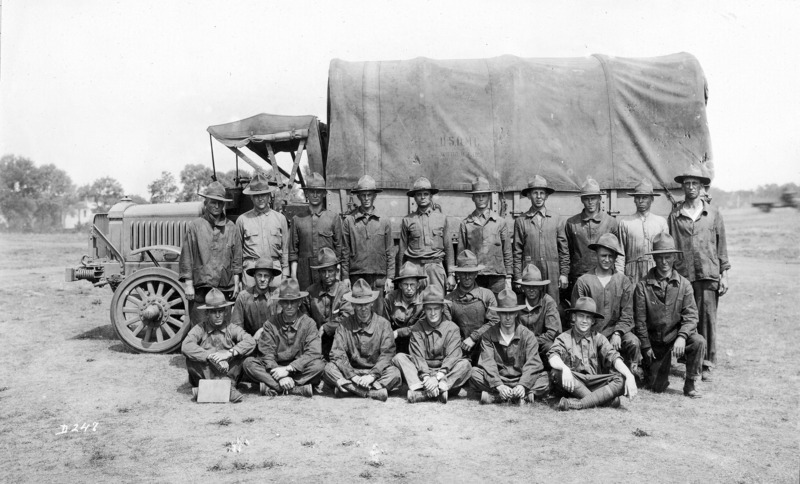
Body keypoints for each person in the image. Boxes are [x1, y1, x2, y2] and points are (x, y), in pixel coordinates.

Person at [668, 164, 730, 381]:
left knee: (707, 319)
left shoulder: (713, 214)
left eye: (695, 183)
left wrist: (724, 274)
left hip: (708, 274)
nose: (691, 187)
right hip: (683, 275)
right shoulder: (675, 215)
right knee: (686, 318)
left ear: (703, 187)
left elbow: (721, 245)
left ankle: (707, 362)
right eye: (687, 184)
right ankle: (689, 361)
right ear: (683, 187)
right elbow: (670, 244)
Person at [633, 233, 706, 398]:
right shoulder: (643, 286)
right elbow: (640, 321)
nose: (664, 262)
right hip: (655, 343)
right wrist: (646, 347)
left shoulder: (684, 285)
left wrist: (682, 336)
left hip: (676, 338)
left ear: (674, 257)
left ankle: (690, 383)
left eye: (668, 257)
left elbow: (691, 316)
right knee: (656, 388)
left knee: (698, 341)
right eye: (660, 258)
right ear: (654, 259)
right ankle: (647, 371)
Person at [547, 296, 638, 411]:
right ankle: (604, 400)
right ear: (574, 317)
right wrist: (564, 368)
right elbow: (553, 356)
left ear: (593, 321)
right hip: (574, 382)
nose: (584, 321)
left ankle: (579, 403)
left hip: (595, 382)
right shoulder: (564, 337)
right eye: (581, 316)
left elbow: (614, 357)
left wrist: (629, 375)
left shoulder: (599, 338)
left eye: (588, 317)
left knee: (621, 378)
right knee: (556, 372)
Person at [571, 233, 642, 379]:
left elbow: (628, 315)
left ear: (616, 257)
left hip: (616, 332)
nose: (607, 260)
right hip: (591, 333)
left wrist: (618, 333)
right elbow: (577, 317)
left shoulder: (623, 281)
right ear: (596, 254)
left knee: (633, 342)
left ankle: (631, 370)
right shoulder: (584, 281)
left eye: (611, 256)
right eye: (603, 255)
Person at [243, 278, 325, 398]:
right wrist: (279, 373)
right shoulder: (270, 324)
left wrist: (289, 369)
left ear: (300, 302)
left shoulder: (309, 323)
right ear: (280, 303)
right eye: (286, 302)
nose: (289, 306)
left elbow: (313, 352)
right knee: (248, 363)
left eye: (293, 302)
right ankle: (296, 388)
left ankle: (273, 386)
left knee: (319, 366)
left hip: (298, 368)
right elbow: (266, 353)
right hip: (275, 369)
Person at [323, 279, 402, 401]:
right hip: (352, 371)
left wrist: (372, 375)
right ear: (353, 305)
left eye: (366, 304)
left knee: (395, 373)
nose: (363, 309)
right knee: (328, 368)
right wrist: (352, 376)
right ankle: (372, 392)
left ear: (372, 303)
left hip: (375, 373)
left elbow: (388, 353)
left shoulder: (383, 324)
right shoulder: (344, 325)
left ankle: (349, 389)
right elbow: (337, 353)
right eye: (359, 305)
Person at [392, 286, 472, 403]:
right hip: (422, 372)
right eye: (429, 309)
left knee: (465, 365)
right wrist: (426, 377)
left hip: (445, 372)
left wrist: (437, 378)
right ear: (424, 309)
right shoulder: (418, 327)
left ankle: (425, 392)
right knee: (399, 357)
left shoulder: (452, 328)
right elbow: (417, 356)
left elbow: (452, 356)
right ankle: (436, 391)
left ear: (442, 308)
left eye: (436, 308)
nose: (433, 313)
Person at [471, 288, 550, 405]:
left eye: (511, 313)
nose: (508, 317)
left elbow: (533, 363)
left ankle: (496, 397)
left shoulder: (527, 335)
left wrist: (522, 385)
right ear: (498, 313)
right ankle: (522, 397)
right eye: (504, 313)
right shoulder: (488, 334)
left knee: (546, 377)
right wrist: (499, 385)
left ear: (516, 313)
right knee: (474, 373)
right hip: (499, 379)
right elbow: (487, 363)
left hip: (521, 378)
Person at [179, 181, 242, 326]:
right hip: (201, 286)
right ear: (206, 202)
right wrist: (188, 284)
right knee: (200, 324)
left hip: (224, 285)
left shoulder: (231, 227)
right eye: (213, 202)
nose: (217, 206)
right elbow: (187, 256)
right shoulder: (195, 226)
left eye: (220, 203)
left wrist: (237, 282)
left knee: (222, 325)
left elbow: (237, 257)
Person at [181, 288, 255, 403]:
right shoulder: (200, 328)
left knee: (244, 356)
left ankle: (206, 390)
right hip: (206, 372)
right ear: (206, 313)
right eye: (213, 312)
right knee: (191, 359)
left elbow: (250, 341)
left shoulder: (231, 328)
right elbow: (186, 346)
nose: (217, 315)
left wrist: (227, 354)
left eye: (220, 311)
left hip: (227, 371)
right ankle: (227, 389)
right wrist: (211, 356)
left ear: (225, 312)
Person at [448, 176, 512, 297]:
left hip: (497, 276)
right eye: (478, 196)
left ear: (488, 197)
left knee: (497, 310)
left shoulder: (499, 222)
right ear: (473, 198)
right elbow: (461, 253)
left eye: (484, 195)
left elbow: (507, 251)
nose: (481, 198)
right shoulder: (466, 224)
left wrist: (508, 276)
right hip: (474, 276)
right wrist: (458, 277)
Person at [341, 175, 395, 316]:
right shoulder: (349, 221)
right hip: (356, 276)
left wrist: (390, 277)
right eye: (363, 195)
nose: (366, 198)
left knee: (378, 314)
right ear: (358, 196)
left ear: (374, 196)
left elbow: (390, 251)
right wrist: (345, 277)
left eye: (369, 194)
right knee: (358, 314)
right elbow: (345, 251)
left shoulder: (384, 221)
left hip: (378, 277)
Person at [563, 178, 619, 312]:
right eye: (587, 198)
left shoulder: (610, 222)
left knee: (603, 312)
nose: (590, 202)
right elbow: (567, 252)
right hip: (578, 278)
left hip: (604, 276)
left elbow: (617, 252)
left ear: (599, 199)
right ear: (582, 200)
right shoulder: (572, 223)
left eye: (593, 198)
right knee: (580, 313)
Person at [512, 175, 568, 310]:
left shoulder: (556, 219)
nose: (538, 196)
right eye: (535, 193)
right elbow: (517, 251)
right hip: (530, 270)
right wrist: (518, 276)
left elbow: (564, 249)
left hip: (552, 270)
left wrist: (564, 273)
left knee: (552, 305)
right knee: (530, 305)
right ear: (529, 196)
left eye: (542, 193)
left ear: (546, 196)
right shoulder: (521, 221)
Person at [289, 172, 344, 290]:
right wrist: (293, 275)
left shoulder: (333, 218)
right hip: (304, 272)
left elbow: (339, 250)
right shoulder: (297, 219)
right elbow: (293, 252)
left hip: (326, 271)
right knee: (305, 303)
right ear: (307, 194)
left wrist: (338, 273)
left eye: (318, 191)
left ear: (324, 194)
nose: (315, 195)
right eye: (311, 191)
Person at [236, 172, 289, 289]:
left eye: (264, 195)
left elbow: (285, 249)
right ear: (251, 197)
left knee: (275, 305)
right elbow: (237, 253)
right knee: (250, 304)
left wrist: (285, 274)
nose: (260, 198)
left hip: (275, 272)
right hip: (251, 272)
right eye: (256, 195)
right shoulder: (242, 220)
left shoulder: (280, 219)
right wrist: (237, 279)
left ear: (269, 195)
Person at [445, 250, 499, 364]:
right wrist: (461, 345)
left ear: (476, 274)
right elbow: (447, 328)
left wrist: (474, 337)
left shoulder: (487, 295)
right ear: (457, 274)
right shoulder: (449, 299)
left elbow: (494, 321)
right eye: (463, 273)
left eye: (471, 273)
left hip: (484, 347)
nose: (467, 277)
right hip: (459, 349)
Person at [399, 177, 451, 293]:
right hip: (414, 269)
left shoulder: (441, 218)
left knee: (436, 304)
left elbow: (448, 248)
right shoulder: (407, 220)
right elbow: (402, 250)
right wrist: (400, 275)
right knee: (414, 304)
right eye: (419, 194)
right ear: (414, 197)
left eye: (426, 194)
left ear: (431, 196)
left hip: (435, 267)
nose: (423, 197)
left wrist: (451, 274)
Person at [303, 247, 353, 360]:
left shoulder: (344, 291)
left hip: (340, 341)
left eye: (330, 271)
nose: (326, 275)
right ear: (318, 272)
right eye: (323, 271)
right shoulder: (310, 292)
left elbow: (348, 318)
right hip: (315, 340)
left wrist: (326, 328)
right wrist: (313, 332)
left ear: (337, 271)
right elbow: (304, 318)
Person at [618, 179, 669, 285]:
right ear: (634, 200)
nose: (641, 201)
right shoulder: (625, 223)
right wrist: (620, 278)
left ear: (652, 199)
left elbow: (666, 253)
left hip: (655, 271)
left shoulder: (660, 222)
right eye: (638, 197)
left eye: (645, 197)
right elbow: (620, 254)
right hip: (631, 273)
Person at [515, 264, 562, 365]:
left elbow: (552, 332)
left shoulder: (548, 302)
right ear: (523, 287)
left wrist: (532, 341)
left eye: (535, 286)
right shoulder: (517, 302)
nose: (531, 289)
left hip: (540, 346)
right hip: (520, 346)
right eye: (528, 286)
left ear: (540, 287)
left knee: (550, 346)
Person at [384, 262, 430, 354]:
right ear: (400, 285)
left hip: (417, 339)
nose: (409, 288)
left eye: (412, 284)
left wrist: (399, 332)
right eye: (405, 284)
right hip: (394, 341)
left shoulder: (424, 300)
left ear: (418, 285)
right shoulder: (390, 298)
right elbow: (385, 323)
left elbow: (423, 326)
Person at [231, 258, 281, 337]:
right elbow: (236, 327)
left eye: (266, 276)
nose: (262, 279)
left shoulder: (277, 296)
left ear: (271, 278)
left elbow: (283, 323)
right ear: (254, 276)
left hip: (273, 341)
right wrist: (249, 339)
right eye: (259, 275)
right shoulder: (243, 297)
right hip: (250, 342)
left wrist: (263, 330)